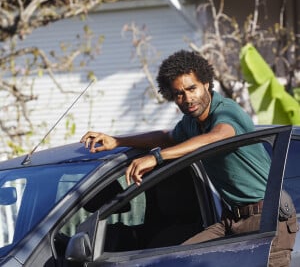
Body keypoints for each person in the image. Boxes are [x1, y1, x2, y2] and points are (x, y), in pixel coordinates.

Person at [81, 49, 297, 267]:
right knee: (177, 261)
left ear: (206, 83)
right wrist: (117, 141)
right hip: (232, 219)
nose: (187, 98)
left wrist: (156, 158)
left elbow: (216, 137)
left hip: (267, 218)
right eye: (178, 94)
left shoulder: (227, 111)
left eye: (191, 88)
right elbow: (166, 137)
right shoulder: (191, 124)